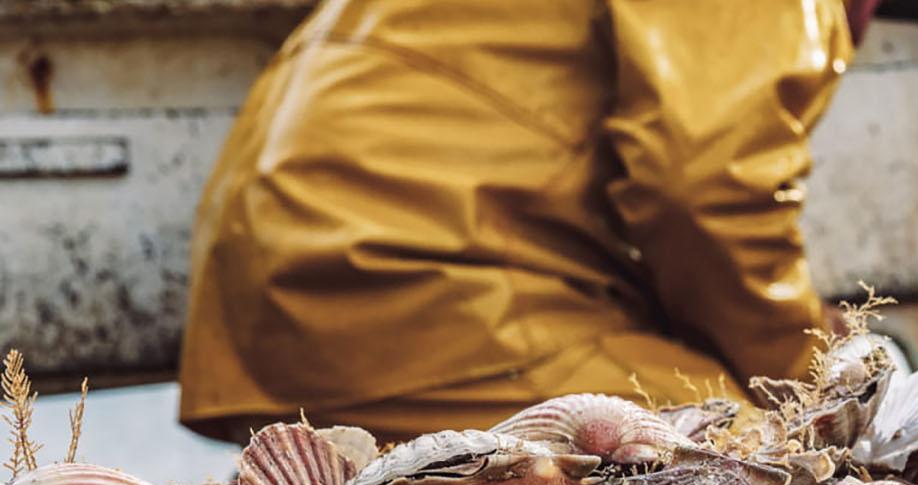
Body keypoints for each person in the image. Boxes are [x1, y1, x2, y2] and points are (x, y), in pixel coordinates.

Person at [178, 0, 881, 442]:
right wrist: (809, 372)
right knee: (769, 466)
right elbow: (705, 187)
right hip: (412, 284)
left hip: (291, 282)